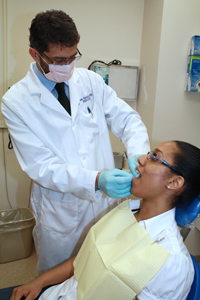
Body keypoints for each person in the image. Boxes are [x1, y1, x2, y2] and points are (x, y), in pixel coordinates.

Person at [1, 9, 150, 275]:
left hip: (104, 207)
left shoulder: (90, 81)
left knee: (101, 273)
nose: (68, 66)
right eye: (59, 60)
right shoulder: (16, 102)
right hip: (61, 212)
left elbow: (127, 120)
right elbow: (41, 166)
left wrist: (137, 154)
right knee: (58, 280)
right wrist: (95, 180)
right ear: (35, 54)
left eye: (73, 57)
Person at [9, 140, 200, 300]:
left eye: (155, 157)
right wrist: (39, 282)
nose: (141, 158)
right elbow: (86, 258)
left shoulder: (171, 262)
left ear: (174, 182)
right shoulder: (125, 210)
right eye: (149, 153)